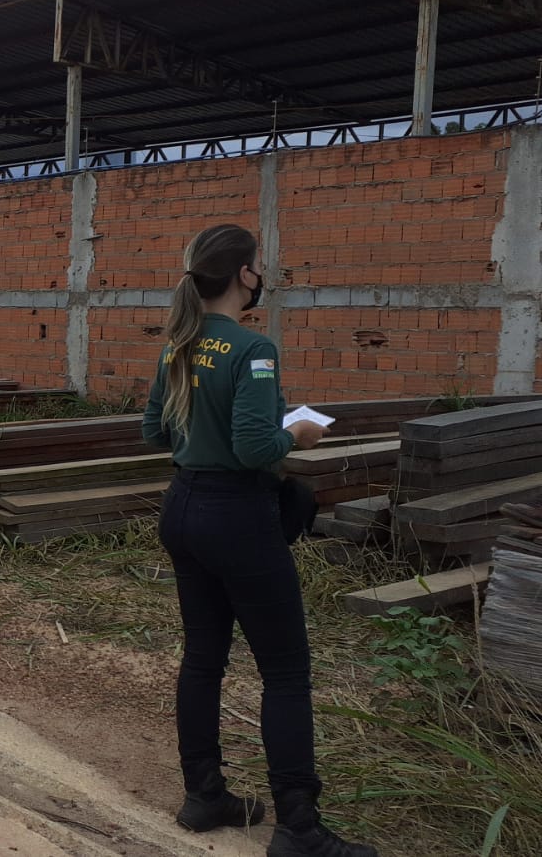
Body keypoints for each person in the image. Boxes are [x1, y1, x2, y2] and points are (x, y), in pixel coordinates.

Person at [141, 224, 377, 857]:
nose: (262, 274)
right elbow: (252, 449)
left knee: (203, 658)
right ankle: (299, 828)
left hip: (183, 509)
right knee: (285, 670)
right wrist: (294, 436)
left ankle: (205, 795)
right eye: (260, 267)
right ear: (244, 275)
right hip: (237, 518)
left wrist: (218, 430)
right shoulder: (254, 348)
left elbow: (155, 434)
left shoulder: (178, 345)